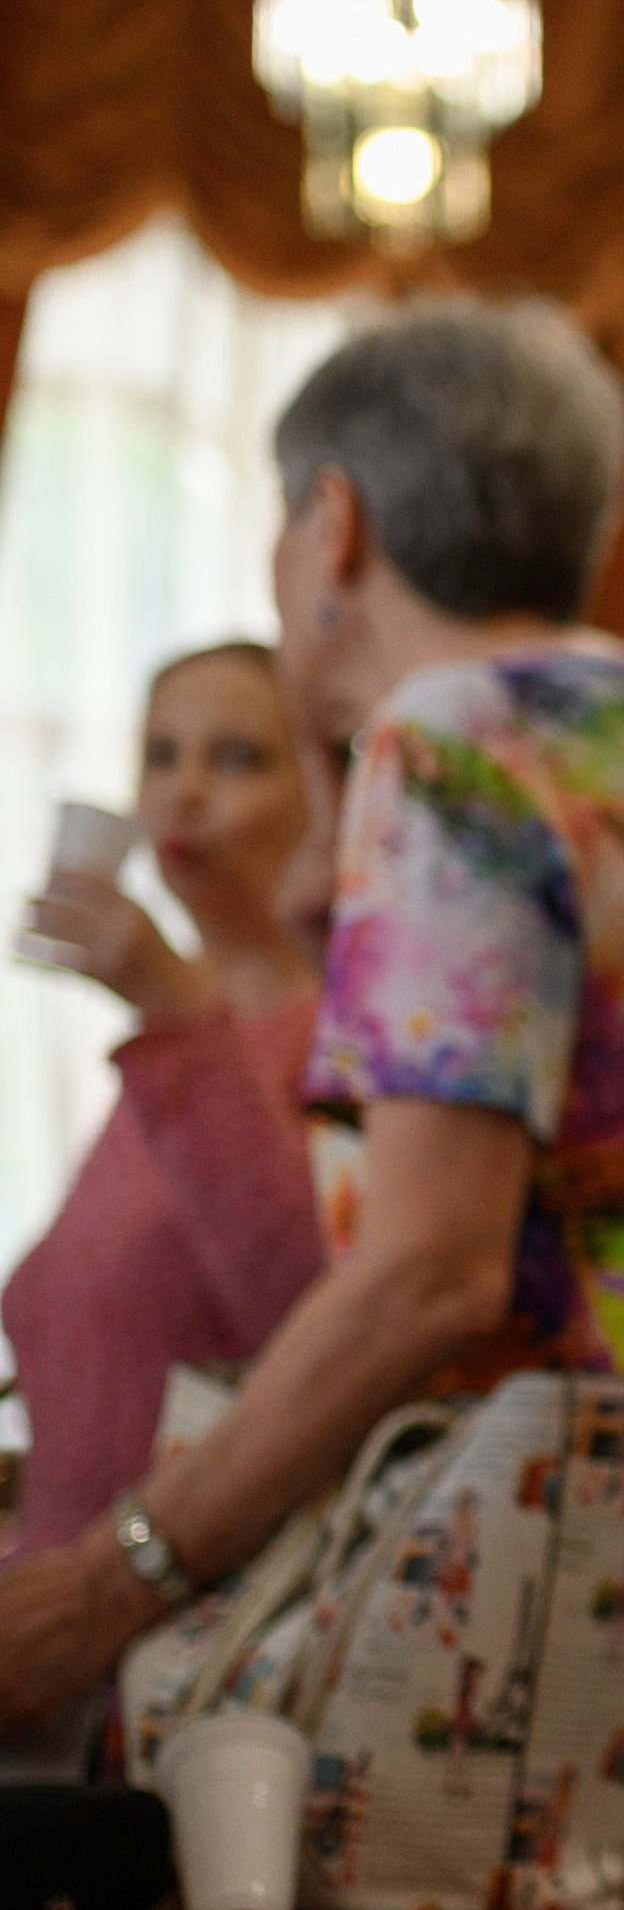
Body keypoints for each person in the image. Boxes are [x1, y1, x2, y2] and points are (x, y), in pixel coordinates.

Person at [0, 305, 624, 1896]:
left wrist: (101, 1587)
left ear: (334, 520)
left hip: (588, 1596)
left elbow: (426, 1270)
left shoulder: (452, 743)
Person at [4, 647, 324, 1587]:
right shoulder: (177, 1035)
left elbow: (305, 1314)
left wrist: (178, 1013)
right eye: (161, 756)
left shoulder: (344, 1031)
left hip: (202, 1628)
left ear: (327, 793)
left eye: (237, 760)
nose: (184, 793)